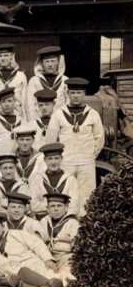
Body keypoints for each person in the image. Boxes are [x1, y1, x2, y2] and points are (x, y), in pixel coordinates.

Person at [45, 77, 103, 210]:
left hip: (86, 162)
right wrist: (59, 159)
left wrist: (89, 156)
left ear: (84, 94)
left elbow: (99, 139)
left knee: (87, 196)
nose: (76, 96)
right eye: (73, 93)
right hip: (66, 161)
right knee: (66, 193)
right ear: (68, 94)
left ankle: (84, 224)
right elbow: (51, 140)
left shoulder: (93, 114)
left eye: (79, 93)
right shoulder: (58, 114)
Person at [0, 212, 66, 287]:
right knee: (22, 284)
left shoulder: (15, 234)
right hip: (17, 276)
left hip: (35, 266)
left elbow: (36, 244)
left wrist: (47, 259)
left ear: (2, 227)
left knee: (55, 279)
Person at [38, 192, 78, 280]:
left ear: (66, 208)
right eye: (52, 206)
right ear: (47, 209)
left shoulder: (72, 222)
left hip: (66, 256)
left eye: (59, 206)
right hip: (49, 256)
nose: (56, 209)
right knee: (42, 272)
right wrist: (46, 258)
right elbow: (38, 242)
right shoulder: (44, 221)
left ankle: (63, 285)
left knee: (65, 272)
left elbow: (77, 245)